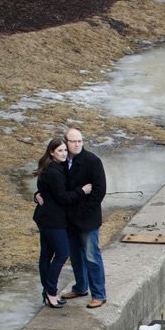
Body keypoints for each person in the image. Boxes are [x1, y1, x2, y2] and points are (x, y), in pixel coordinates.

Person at [32, 138, 90, 309]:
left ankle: (47, 292)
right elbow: (62, 197)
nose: (64, 153)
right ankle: (51, 292)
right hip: (52, 219)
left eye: (65, 150)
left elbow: (44, 190)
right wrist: (82, 191)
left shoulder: (54, 167)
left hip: (46, 217)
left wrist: (37, 195)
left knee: (46, 255)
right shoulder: (54, 172)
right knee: (62, 253)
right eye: (60, 151)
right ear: (51, 152)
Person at [62, 126, 108, 308]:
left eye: (80, 141)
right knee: (75, 255)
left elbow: (99, 191)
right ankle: (80, 287)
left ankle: (99, 293)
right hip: (68, 218)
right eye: (73, 141)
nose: (77, 144)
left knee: (91, 256)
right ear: (66, 142)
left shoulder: (92, 161)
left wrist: (84, 211)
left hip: (87, 218)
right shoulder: (62, 160)